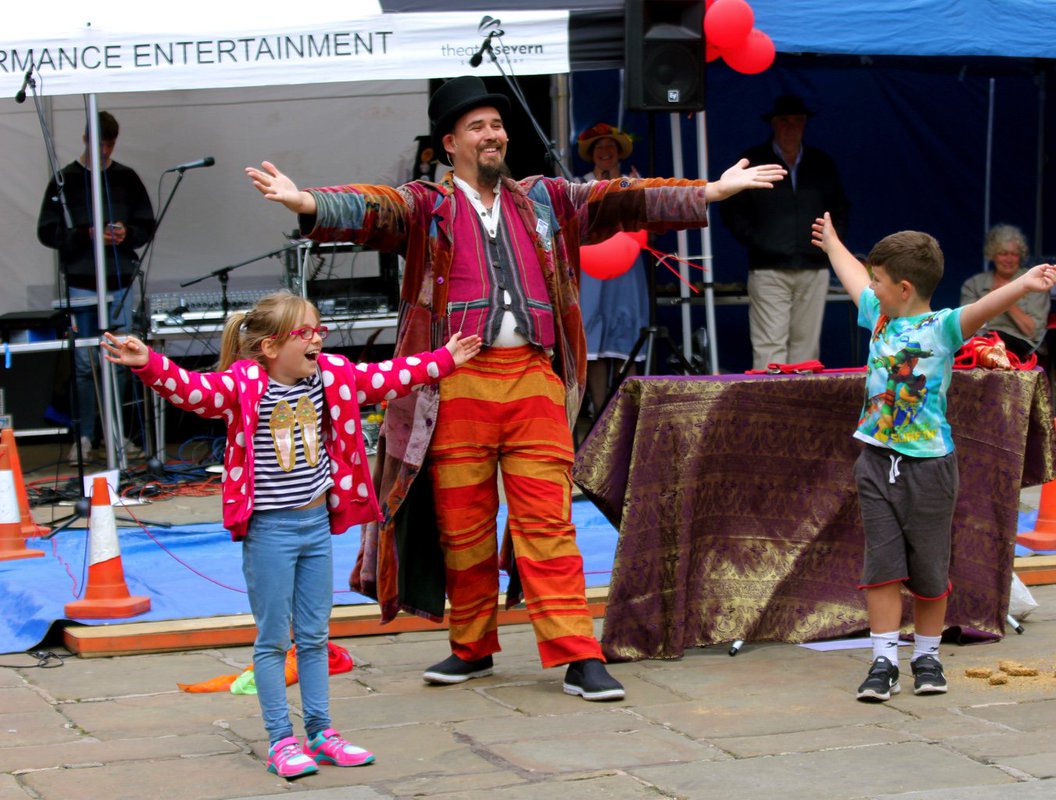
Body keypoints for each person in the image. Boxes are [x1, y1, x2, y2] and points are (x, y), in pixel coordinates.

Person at [244, 75, 785, 702]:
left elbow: (621, 198)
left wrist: (708, 191)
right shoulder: (427, 205)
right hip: (455, 385)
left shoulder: (547, 200)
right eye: (478, 127)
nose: (493, 134)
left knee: (548, 520)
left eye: (497, 126)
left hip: (531, 378)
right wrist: (307, 203)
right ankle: (471, 647)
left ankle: (579, 654)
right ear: (451, 144)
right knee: (463, 525)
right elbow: (373, 207)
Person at [100, 291, 482, 778]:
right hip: (271, 532)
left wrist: (445, 358)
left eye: (319, 330)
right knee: (272, 641)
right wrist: (147, 362)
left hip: (316, 526)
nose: (318, 338)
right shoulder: (241, 387)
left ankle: (321, 733)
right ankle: (282, 739)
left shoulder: (333, 378)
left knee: (315, 636)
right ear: (268, 347)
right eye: (305, 332)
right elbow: (190, 390)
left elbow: (389, 375)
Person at [811, 212, 1056, 702]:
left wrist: (1023, 283)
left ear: (904, 287)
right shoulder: (879, 316)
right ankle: (883, 661)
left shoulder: (942, 328)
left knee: (928, 569)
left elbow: (983, 307)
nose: (872, 288)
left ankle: (926, 656)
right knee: (880, 566)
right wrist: (833, 244)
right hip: (876, 463)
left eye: (880, 281)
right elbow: (855, 276)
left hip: (931, 469)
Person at [37, 110, 155, 462]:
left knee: (120, 360)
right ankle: (85, 437)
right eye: (99, 143)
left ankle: (116, 435)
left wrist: (126, 234)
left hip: (119, 280)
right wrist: (86, 235)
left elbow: (146, 225)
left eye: (110, 144)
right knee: (85, 364)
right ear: (86, 139)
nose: (104, 150)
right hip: (81, 283)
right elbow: (47, 231)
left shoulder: (126, 179)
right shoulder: (66, 180)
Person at [721, 95, 850, 369]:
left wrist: (830, 243)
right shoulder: (755, 161)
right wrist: (758, 240)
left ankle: (801, 410)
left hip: (814, 267)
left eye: (797, 121)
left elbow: (840, 207)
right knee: (770, 347)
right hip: (768, 267)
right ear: (773, 125)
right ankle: (770, 410)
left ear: (804, 125)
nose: (791, 127)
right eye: (784, 121)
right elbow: (732, 208)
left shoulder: (820, 163)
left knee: (807, 349)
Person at [576, 122, 647, 420]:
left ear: (618, 152)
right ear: (592, 155)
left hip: (627, 268)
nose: (605, 152)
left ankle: (627, 413)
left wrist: (635, 192)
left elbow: (649, 222)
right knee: (594, 338)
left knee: (626, 333)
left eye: (610, 147)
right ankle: (600, 412)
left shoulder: (634, 181)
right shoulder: (578, 183)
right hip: (592, 268)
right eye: (600, 148)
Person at [960, 225, 1051, 358]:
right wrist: (991, 302)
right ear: (993, 255)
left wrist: (1006, 299)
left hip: (1018, 342)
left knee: (995, 348)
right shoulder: (974, 284)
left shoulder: (1035, 282)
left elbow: (1033, 332)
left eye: (1014, 254)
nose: (1009, 259)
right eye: (1003, 254)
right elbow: (964, 326)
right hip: (980, 339)